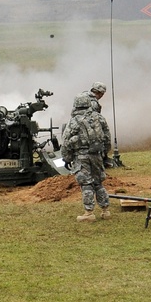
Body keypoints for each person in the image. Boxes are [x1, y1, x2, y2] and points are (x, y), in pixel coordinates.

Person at [62, 94, 112, 223]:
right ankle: (105, 211)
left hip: (81, 157)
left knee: (86, 184)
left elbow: (66, 141)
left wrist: (66, 158)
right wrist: (104, 154)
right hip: (97, 155)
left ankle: (89, 213)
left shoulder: (74, 121)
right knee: (98, 183)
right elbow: (107, 137)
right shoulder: (98, 117)